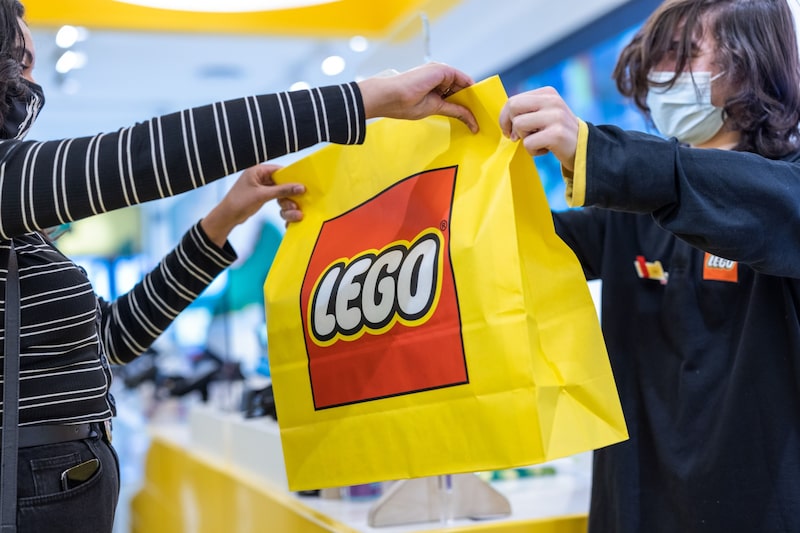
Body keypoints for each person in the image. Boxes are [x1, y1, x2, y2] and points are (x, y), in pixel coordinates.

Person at [0, 0, 480, 530]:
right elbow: (144, 154)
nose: (30, 80)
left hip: (57, 483)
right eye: (18, 61)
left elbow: (111, 338)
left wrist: (224, 219)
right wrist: (365, 100)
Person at [496, 0, 800, 531]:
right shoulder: (631, 213)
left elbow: (765, 205)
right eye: (656, 55)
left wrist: (598, 153)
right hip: (635, 505)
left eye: (684, 52)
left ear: (753, 59)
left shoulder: (783, 191)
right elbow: (513, 247)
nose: (663, 72)